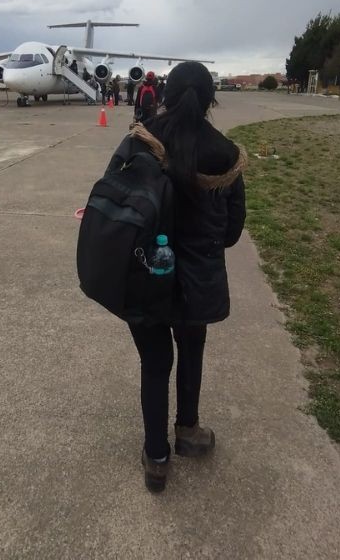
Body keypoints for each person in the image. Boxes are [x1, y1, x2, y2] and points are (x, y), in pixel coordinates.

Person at [111, 61, 247, 493]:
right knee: (191, 351)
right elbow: (231, 233)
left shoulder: (141, 141)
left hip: (144, 273)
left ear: (164, 96)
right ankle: (188, 432)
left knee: (154, 364)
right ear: (211, 100)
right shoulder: (226, 153)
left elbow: (113, 200)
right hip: (196, 284)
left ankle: (156, 458)